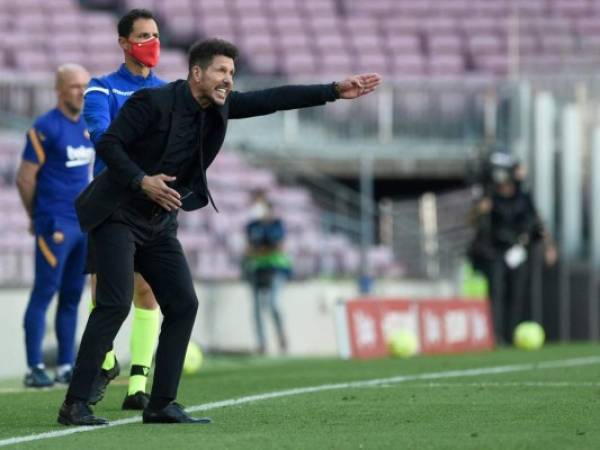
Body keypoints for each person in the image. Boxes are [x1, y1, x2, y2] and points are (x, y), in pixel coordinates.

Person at [57, 38, 382, 426]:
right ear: (197, 73)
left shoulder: (220, 107)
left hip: (158, 222)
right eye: (220, 71)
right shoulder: (152, 102)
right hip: (116, 212)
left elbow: (272, 99)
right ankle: (75, 404)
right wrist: (142, 181)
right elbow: (108, 143)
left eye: (231, 72)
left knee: (183, 303)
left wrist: (331, 91)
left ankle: (161, 404)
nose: (228, 79)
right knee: (114, 303)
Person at [82, 9, 166, 410]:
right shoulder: (101, 89)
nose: (151, 42)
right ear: (123, 43)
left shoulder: (169, 91)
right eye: (143, 36)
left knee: (146, 289)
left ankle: (138, 385)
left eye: (155, 34)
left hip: (151, 205)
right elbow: (101, 135)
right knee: (105, 294)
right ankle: (106, 359)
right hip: (112, 200)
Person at [16, 64, 93, 387]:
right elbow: (25, 178)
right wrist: (37, 216)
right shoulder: (45, 127)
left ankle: (65, 365)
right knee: (45, 291)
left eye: (85, 86)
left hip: (83, 223)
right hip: (55, 222)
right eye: (75, 86)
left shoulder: (89, 125)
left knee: (73, 295)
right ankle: (34, 367)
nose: (81, 92)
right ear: (60, 91)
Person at [468, 152, 557, 344]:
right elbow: (473, 223)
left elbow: (537, 223)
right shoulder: (489, 198)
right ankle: (496, 335)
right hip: (495, 252)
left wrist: (549, 246)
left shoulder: (523, 198)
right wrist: (479, 210)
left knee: (516, 293)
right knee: (496, 293)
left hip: (518, 251)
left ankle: (512, 334)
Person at [244, 192, 291, 354]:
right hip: (257, 269)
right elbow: (248, 250)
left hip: (276, 269)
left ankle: (282, 339)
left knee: (273, 304)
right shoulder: (251, 226)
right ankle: (262, 344)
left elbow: (279, 246)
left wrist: (260, 249)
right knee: (256, 308)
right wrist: (264, 248)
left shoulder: (277, 224)